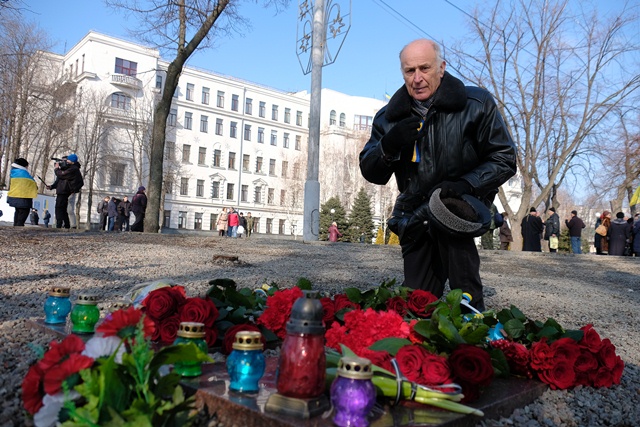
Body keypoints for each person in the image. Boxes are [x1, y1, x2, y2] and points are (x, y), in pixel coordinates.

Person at [359, 39, 516, 311]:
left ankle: (470, 321)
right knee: (415, 307)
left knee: (467, 305)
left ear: (441, 68)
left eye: (425, 68)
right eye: (410, 71)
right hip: (415, 217)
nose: (417, 78)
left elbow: (504, 158)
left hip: (458, 210)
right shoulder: (388, 118)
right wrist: (388, 146)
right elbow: (371, 172)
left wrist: (466, 184)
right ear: (402, 73)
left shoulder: (476, 104)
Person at [47, 154, 83, 229]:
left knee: (62, 208)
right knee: (63, 209)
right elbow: (59, 180)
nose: (64, 162)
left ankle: (61, 225)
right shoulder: (69, 169)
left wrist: (56, 169)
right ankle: (66, 224)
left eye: (66, 161)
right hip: (63, 190)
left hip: (65, 191)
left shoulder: (72, 169)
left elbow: (61, 175)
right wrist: (52, 186)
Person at [7, 158, 38, 227]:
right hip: (23, 197)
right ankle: (19, 227)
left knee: (17, 211)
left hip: (14, 195)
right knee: (23, 213)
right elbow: (33, 184)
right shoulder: (24, 173)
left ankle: (15, 226)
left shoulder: (14, 172)